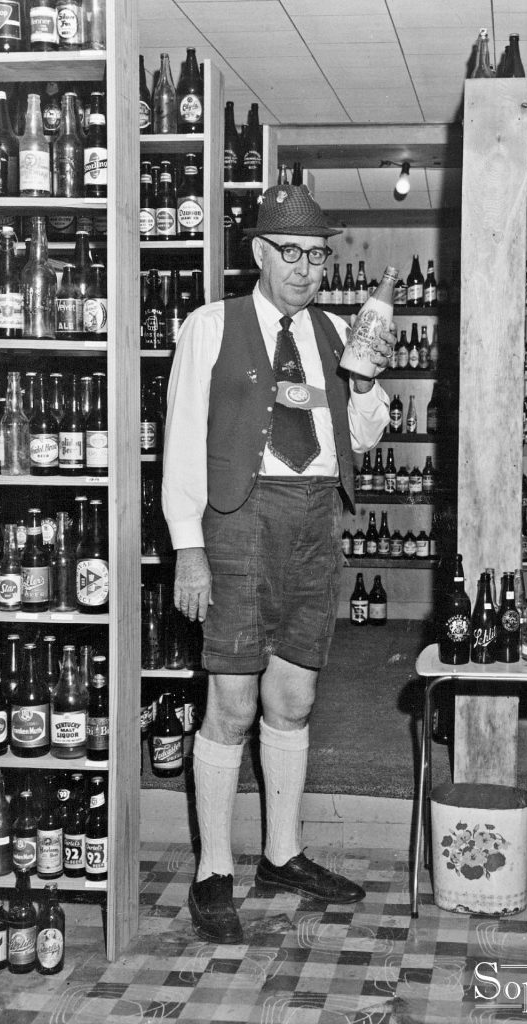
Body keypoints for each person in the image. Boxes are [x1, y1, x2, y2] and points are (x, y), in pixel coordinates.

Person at [162, 184, 393, 943]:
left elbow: (362, 438)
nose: (306, 266)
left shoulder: (337, 330)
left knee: (292, 699)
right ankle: (214, 870)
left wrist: (364, 380)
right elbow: (184, 440)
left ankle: (283, 853)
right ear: (258, 252)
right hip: (237, 518)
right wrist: (188, 547)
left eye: (318, 253)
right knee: (230, 705)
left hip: (316, 518)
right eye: (290, 251)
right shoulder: (209, 326)